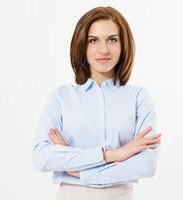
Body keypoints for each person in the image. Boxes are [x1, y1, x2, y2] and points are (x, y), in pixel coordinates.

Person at [32, 6, 162, 200]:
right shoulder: (60, 97)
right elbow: (41, 157)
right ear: (82, 45)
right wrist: (113, 155)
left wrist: (79, 171)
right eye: (94, 40)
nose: (104, 49)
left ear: (123, 44)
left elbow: (146, 164)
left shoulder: (138, 97)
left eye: (112, 39)